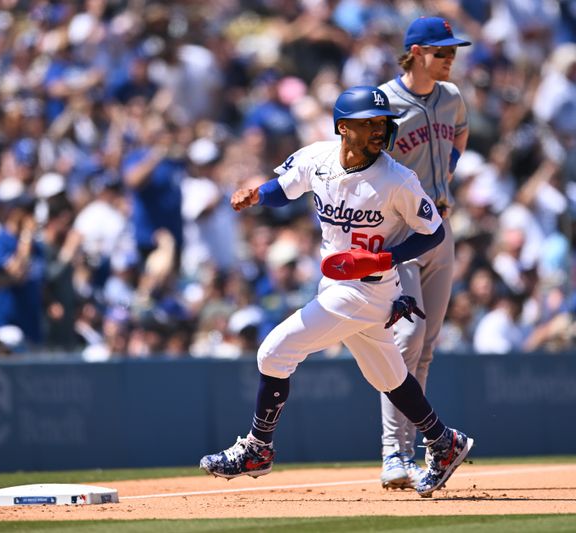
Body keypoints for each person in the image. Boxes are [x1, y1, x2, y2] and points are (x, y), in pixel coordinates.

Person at [199, 86, 473, 498]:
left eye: (383, 123)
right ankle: (443, 440)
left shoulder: (397, 179)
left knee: (274, 352)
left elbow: (432, 232)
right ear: (344, 127)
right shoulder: (317, 158)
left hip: (369, 291)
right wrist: (257, 194)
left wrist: (386, 258)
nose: (379, 130)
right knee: (390, 378)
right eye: (369, 124)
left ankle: (257, 449)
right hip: (337, 284)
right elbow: (284, 187)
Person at [377, 16, 471, 489]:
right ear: (415, 51)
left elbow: (460, 135)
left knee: (427, 346)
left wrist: (447, 174)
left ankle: (416, 453)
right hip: (402, 235)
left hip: (442, 230)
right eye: (441, 51)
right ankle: (393, 452)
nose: (449, 58)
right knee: (406, 338)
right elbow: (359, 158)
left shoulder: (452, 97)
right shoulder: (385, 103)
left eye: (452, 51)